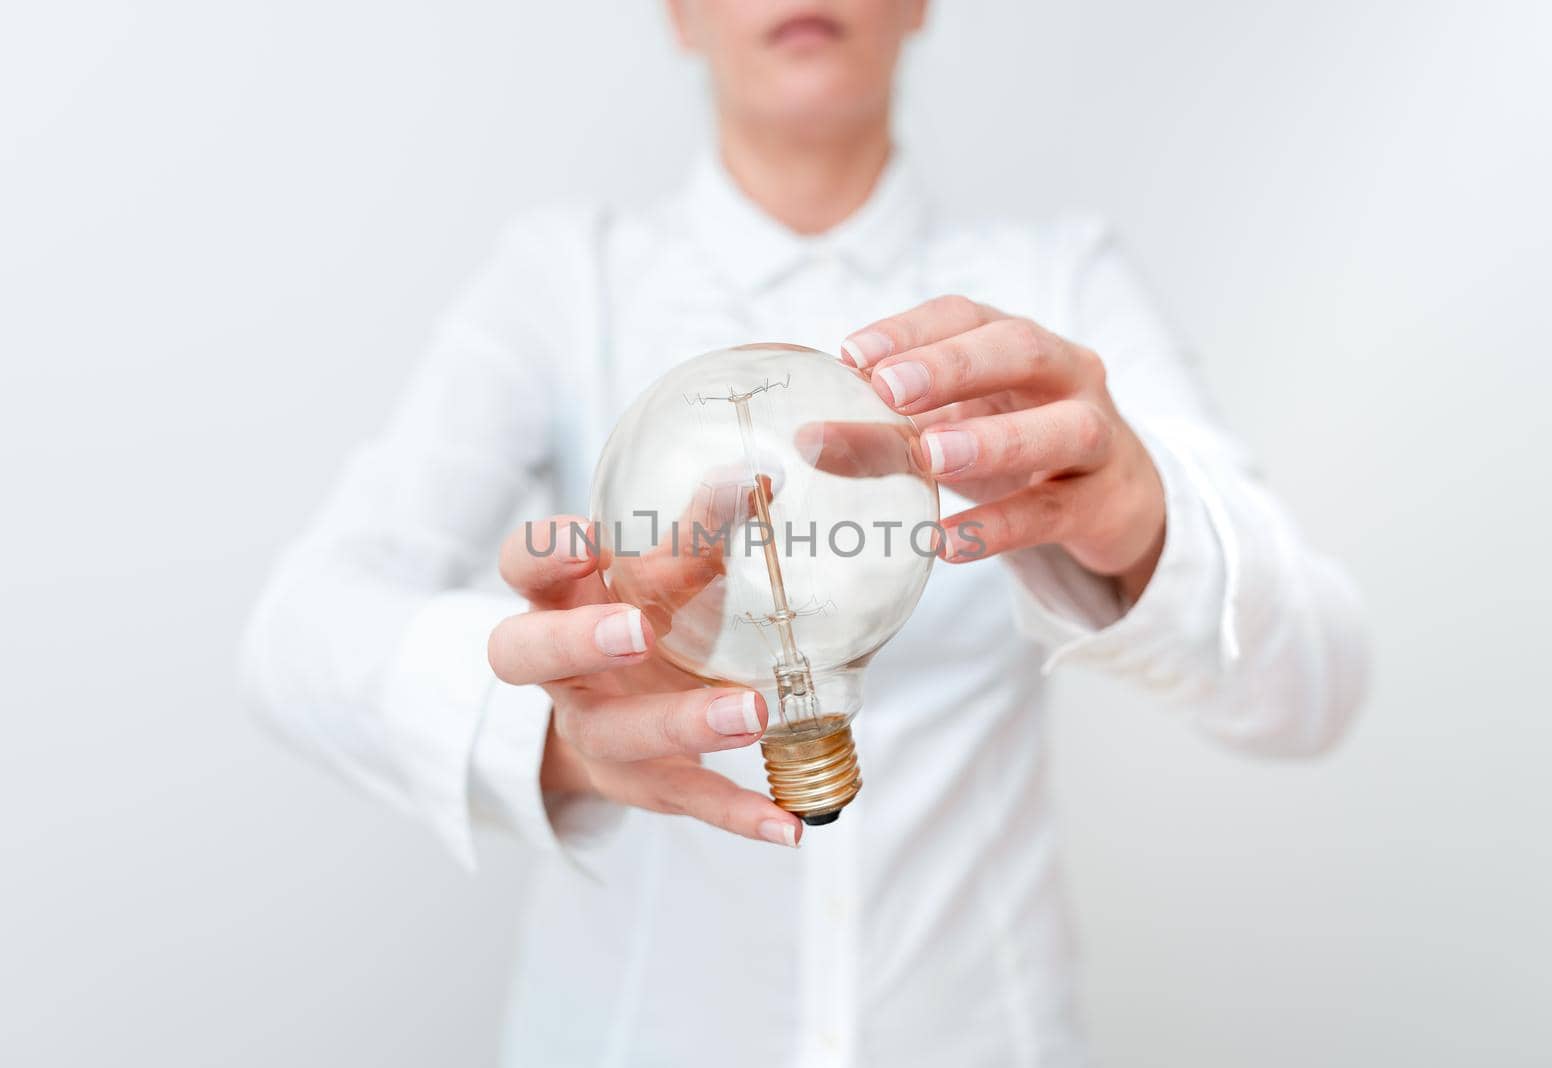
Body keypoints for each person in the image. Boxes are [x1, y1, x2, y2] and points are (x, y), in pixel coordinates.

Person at [241, 2, 1369, 1064]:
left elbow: (1313, 686)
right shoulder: (566, 283)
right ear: (680, 9)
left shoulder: (1052, 289)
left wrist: (1143, 516)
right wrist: (561, 734)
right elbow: (298, 634)